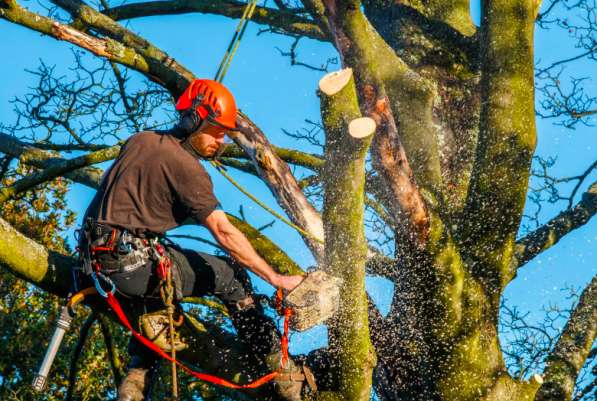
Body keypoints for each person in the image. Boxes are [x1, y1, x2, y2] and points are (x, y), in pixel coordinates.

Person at [75, 79, 311, 401]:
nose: (221, 139)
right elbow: (224, 232)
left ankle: (133, 387)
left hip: (92, 266)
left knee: (157, 310)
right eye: (216, 130)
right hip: (131, 267)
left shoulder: (139, 141)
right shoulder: (187, 168)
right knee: (230, 275)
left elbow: (134, 201)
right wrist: (276, 278)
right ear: (194, 119)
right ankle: (283, 376)